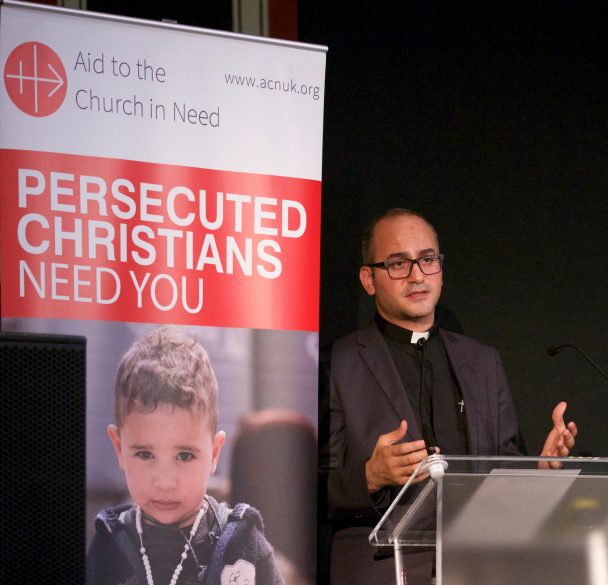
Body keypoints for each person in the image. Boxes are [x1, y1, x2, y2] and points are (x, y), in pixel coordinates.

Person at [319, 208, 577, 585]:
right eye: (397, 264)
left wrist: (539, 469)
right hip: (380, 570)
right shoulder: (338, 362)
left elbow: (500, 469)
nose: (417, 275)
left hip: (477, 567)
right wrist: (369, 477)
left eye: (427, 260)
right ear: (368, 279)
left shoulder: (483, 361)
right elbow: (305, 489)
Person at [87, 326, 285, 585]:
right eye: (145, 454)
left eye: (184, 456)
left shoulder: (242, 543)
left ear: (214, 453)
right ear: (119, 448)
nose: (165, 481)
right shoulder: (110, 542)